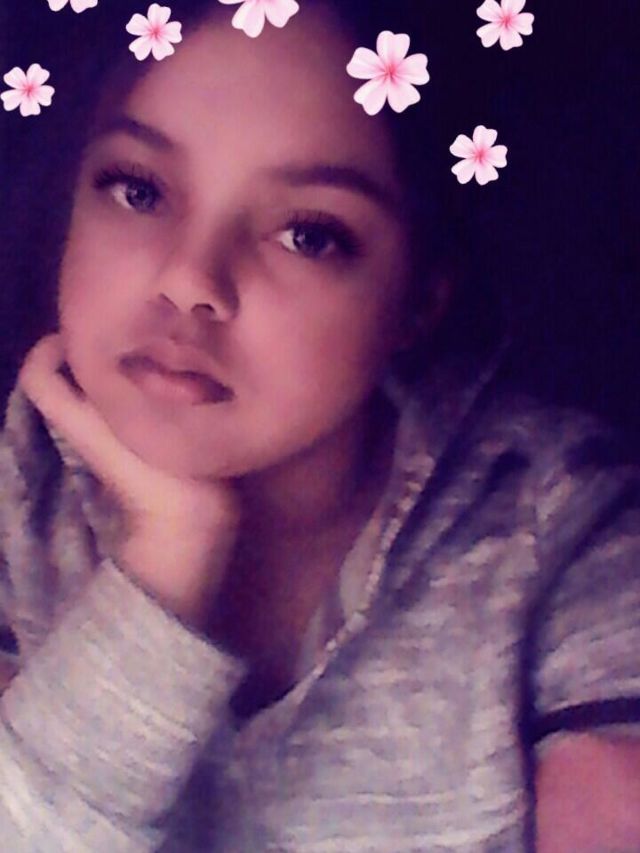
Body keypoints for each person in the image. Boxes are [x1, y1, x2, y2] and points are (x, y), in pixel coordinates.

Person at [0, 1, 639, 850]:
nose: (189, 279)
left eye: (308, 234)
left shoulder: (561, 530)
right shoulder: (20, 498)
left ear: (417, 300)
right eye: (139, 189)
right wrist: (167, 554)